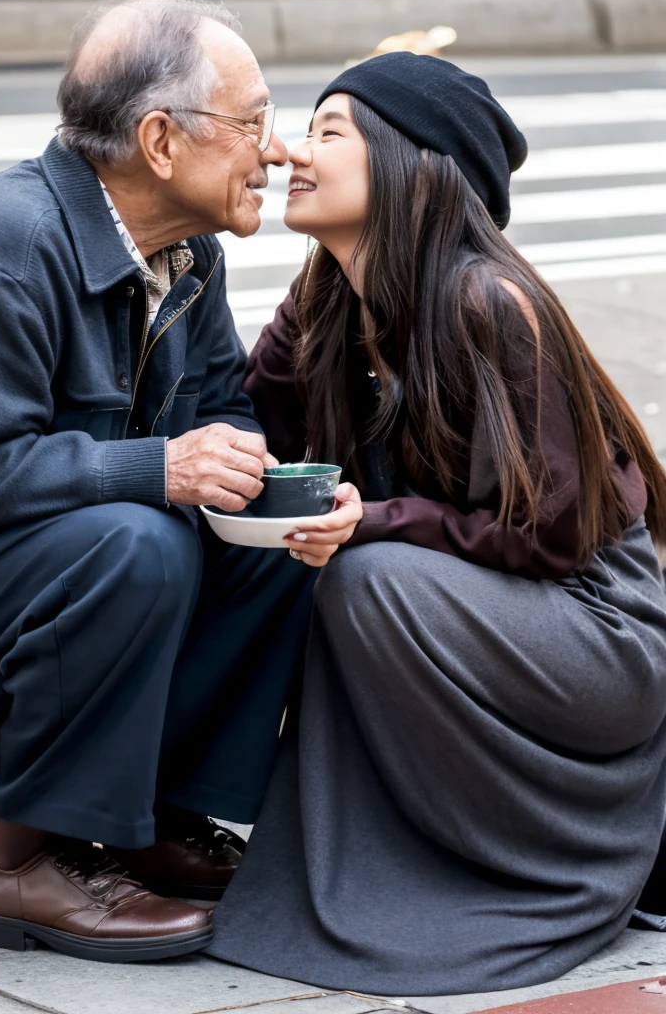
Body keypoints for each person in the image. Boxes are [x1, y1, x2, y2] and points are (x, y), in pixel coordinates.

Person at [209, 53, 666, 996]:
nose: (294, 148)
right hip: (479, 617)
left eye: (331, 131)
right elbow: (256, 431)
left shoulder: (488, 306)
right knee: (285, 560)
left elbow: (551, 538)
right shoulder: (327, 306)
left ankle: (508, 871)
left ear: (410, 161)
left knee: (369, 574)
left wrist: (373, 520)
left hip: (595, 640)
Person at [0, 0, 328, 963]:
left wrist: (250, 468)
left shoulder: (187, 256)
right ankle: (28, 860)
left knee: (271, 531)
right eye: (253, 122)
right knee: (134, 537)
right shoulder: (2, 246)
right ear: (160, 141)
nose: (274, 150)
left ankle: (153, 821)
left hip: (49, 585)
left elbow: (218, 407)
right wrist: (159, 468)